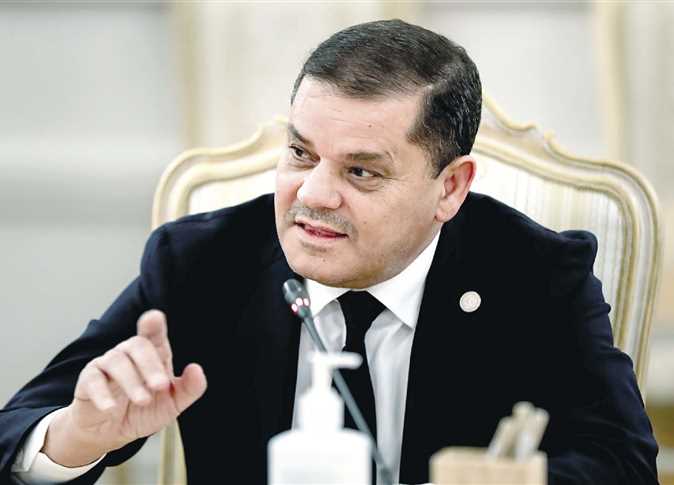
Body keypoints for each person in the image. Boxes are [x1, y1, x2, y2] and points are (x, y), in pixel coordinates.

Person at [0, 19, 658, 485]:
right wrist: (78, 436)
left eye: (361, 171)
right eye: (300, 153)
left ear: (450, 188)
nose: (312, 195)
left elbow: (624, 461)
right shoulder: (202, 262)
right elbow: (20, 428)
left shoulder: (536, 273)